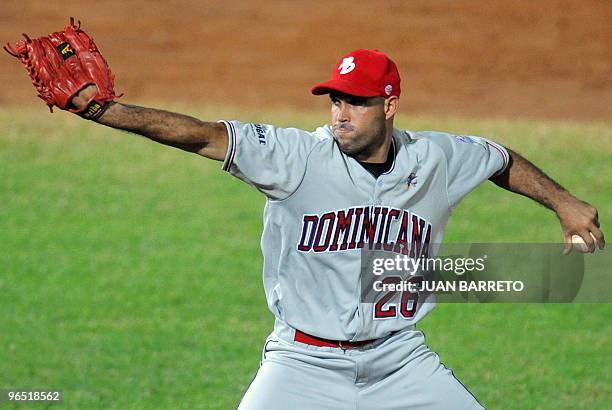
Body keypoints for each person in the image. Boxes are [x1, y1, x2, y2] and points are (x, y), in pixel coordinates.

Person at [70, 49, 603, 409]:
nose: (340, 114)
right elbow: (202, 136)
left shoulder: (435, 158)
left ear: (389, 105)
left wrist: (563, 203)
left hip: (400, 361)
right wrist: (105, 111)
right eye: (335, 100)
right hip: (301, 363)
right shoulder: (296, 157)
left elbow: (498, 159)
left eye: (356, 102)